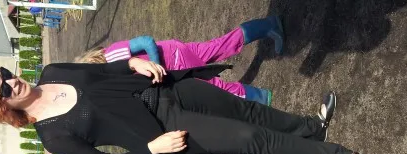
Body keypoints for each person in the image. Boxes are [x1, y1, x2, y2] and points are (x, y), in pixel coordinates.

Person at [0, 54, 374, 154]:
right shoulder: (53, 137)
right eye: (3, 90)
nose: (12, 83)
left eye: (6, 75)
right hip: (167, 128)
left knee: (246, 108)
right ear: (2, 108)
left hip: (167, 87)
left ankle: (310, 127)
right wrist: (152, 148)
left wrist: (133, 63)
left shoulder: (54, 71)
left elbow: (105, 72)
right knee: (250, 137)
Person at [75, 17, 285, 105]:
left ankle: (262, 99)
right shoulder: (110, 69)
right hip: (175, 51)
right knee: (221, 45)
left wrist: (157, 67)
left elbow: (147, 41)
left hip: (176, 60)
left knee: (214, 88)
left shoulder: (112, 56)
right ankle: (269, 24)